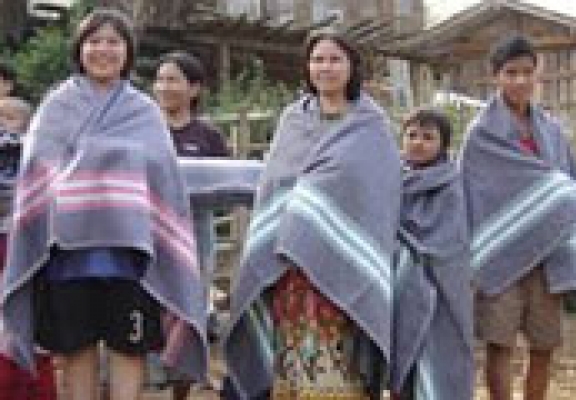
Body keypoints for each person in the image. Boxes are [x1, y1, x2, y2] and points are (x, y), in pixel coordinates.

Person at [0, 9, 208, 400]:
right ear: (79, 49)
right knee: (76, 348)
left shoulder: (144, 111)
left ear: (127, 52)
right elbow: (37, 176)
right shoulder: (56, 107)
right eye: (94, 41)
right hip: (67, 255)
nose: (103, 50)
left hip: (130, 256)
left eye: (113, 42)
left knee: (128, 347)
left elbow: (164, 182)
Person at [222, 29, 403, 399]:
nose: (326, 68)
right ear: (307, 67)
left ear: (352, 67)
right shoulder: (293, 121)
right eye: (318, 60)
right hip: (291, 266)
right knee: (293, 353)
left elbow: (379, 193)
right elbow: (274, 188)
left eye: (335, 60)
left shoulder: (372, 126)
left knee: (340, 359)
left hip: (348, 265)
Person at [459, 34, 576, 400]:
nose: (520, 80)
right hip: (500, 252)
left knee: (544, 345)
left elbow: (571, 183)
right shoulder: (480, 134)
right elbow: (470, 195)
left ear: (538, 74)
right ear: (496, 76)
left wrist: (563, 200)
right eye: (511, 73)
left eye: (527, 72)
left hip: (549, 251)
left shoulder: (551, 131)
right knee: (499, 344)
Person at [152, 50, 229, 399]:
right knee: (152, 304)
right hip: (150, 231)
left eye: (173, 80)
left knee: (189, 307)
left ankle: (182, 386)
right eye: (160, 79)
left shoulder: (208, 135)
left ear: (194, 88)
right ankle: (151, 379)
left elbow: (226, 184)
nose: (164, 87)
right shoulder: (144, 131)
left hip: (196, 231)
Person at [391, 108, 474, 400]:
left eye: (428, 137)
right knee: (400, 360)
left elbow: (452, 239)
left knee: (438, 357)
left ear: (443, 144)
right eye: (412, 135)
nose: (418, 143)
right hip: (396, 285)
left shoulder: (452, 185)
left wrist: (414, 253)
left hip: (443, 289)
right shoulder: (389, 179)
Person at [0, 97, 57, 400]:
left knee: (29, 320)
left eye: (9, 117)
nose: (2, 123)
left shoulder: (34, 151)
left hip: (27, 243)